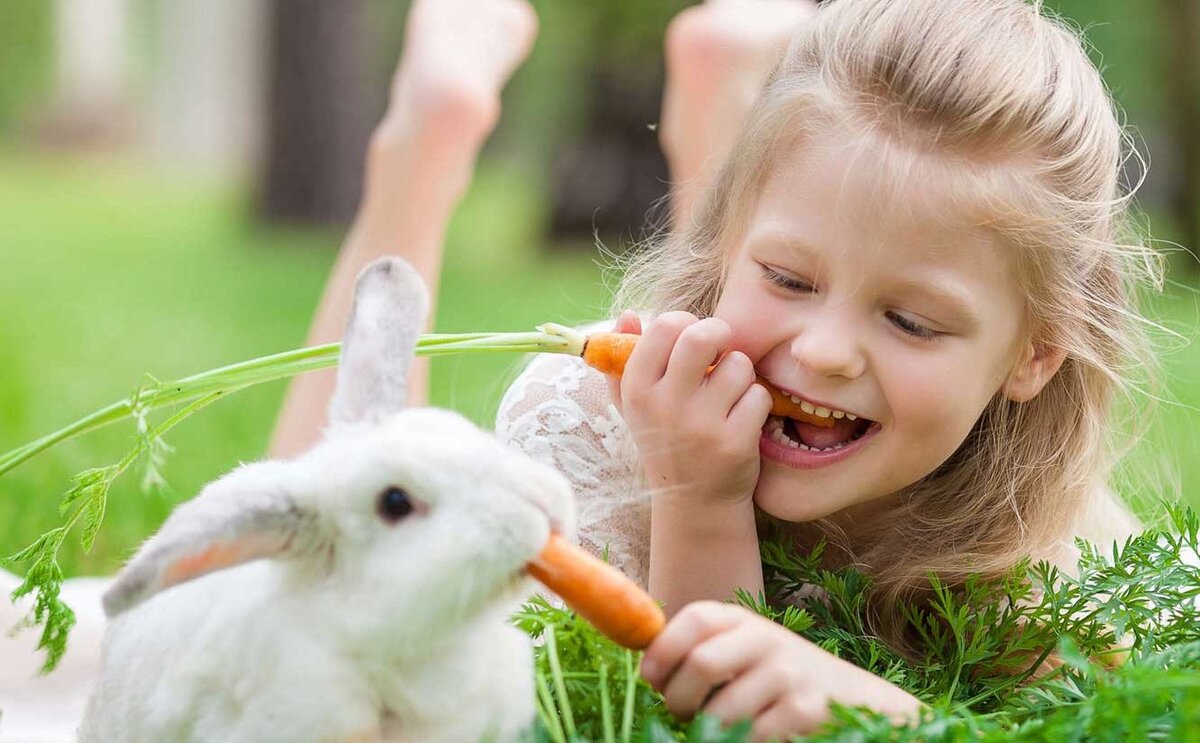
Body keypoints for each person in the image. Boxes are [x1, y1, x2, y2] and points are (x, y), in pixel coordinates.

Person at [274, 0, 1160, 738]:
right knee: (321, 573)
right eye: (785, 276)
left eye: (911, 320)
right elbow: (656, 717)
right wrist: (697, 499)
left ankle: (726, 110)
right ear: (727, 244)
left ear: (1035, 354)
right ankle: (423, 149)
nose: (825, 349)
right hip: (660, 421)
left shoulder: (1056, 557)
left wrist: (890, 715)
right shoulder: (597, 424)